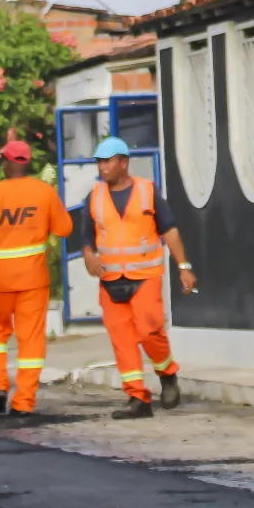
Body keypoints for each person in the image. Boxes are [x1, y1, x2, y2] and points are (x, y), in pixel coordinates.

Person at [72, 136, 195, 421]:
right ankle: (137, 397)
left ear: (123, 163)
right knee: (122, 339)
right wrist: (88, 254)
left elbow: (170, 231)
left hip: (145, 276)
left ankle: (167, 374)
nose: (102, 167)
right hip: (111, 279)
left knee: (149, 331)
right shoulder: (94, 196)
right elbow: (86, 235)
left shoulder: (148, 192)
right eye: (99, 162)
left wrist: (184, 267)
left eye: (107, 161)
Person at [0, 140, 71, 416]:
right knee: (32, 339)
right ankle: (23, 402)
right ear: (27, 163)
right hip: (34, 280)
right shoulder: (44, 192)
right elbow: (65, 228)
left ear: (6, 164)